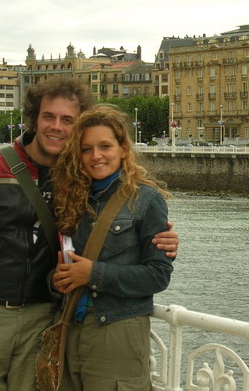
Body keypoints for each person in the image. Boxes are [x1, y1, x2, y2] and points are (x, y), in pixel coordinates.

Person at [0, 77, 180, 391]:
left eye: (68, 120)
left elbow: (119, 227)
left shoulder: (75, 182)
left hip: (44, 319)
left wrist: (164, 237)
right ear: (34, 119)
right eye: (48, 116)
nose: (57, 127)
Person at [51, 105, 173, 390]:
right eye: (86, 149)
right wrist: (57, 279)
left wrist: (93, 273)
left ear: (122, 148)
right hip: (71, 328)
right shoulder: (74, 199)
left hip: (117, 329)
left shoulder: (146, 199)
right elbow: (61, 267)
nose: (96, 156)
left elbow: (157, 275)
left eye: (104, 146)